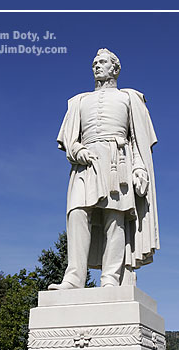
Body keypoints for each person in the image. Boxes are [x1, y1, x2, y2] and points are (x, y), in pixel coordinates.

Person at [48, 48, 160, 290]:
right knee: (77, 213)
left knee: (115, 218)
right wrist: (77, 151)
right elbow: (69, 138)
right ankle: (74, 278)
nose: (97, 66)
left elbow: (137, 139)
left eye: (102, 62)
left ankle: (111, 278)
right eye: (94, 63)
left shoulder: (130, 98)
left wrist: (139, 168)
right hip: (84, 162)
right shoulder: (78, 101)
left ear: (115, 68)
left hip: (117, 161)